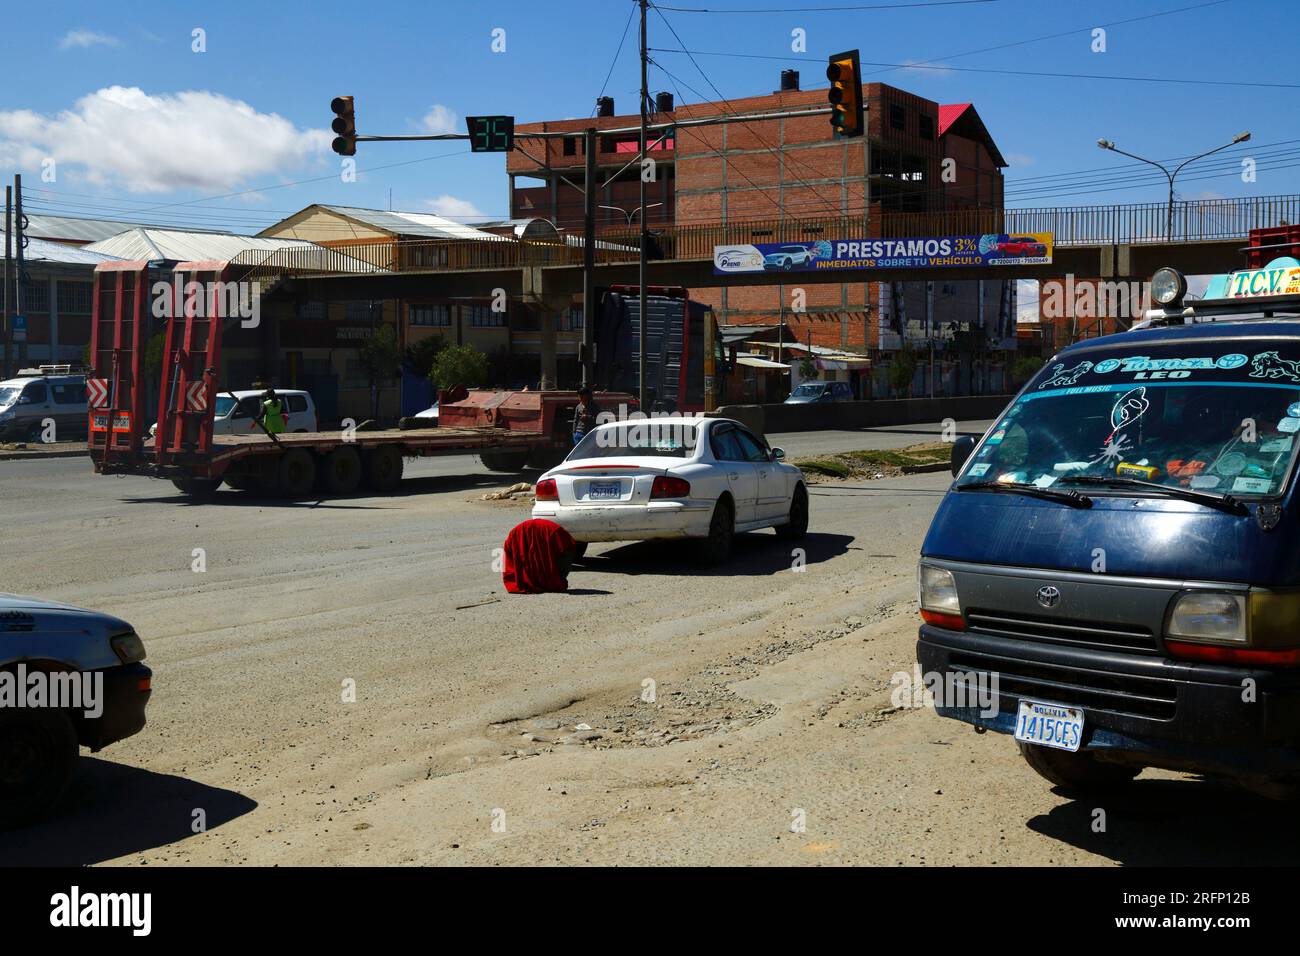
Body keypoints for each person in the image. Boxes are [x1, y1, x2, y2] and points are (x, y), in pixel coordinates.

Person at [501, 518, 578, 594]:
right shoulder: (563, 538)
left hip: (545, 532)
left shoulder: (561, 536)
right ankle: (546, 581)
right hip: (537, 531)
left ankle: (540, 581)